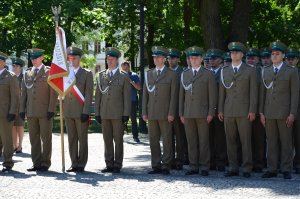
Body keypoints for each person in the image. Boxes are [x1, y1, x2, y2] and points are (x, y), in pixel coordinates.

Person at [260, 42, 299, 179]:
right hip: (269, 112)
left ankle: (286, 169)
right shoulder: (265, 70)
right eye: (273, 54)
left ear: (283, 56)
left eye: (277, 54)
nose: (274, 56)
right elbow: (262, 94)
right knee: (271, 141)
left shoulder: (291, 71)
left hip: (284, 113)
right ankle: (272, 169)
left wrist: (292, 113)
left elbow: (295, 94)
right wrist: (261, 112)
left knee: (286, 142)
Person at [218, 42, 258, 178]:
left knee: (245, 140)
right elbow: (221, 93)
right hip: (228, 110)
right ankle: (233, 167)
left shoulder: (250, 70)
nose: (234, 54)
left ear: (242, 54)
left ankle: (247, 167)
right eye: (232, 52)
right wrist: (221, 110)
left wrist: (252, 110)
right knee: (230, 141)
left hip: (244, 110)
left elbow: (253, 93)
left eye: (237, 52)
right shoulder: (224, 70)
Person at [179, 46, 217, 176]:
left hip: (203, 113)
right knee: (191, 141)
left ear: (201, 59)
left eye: (196, 58)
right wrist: (181, 113)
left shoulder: (208, 74)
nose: (193, 60)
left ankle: (204, 166)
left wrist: (211, 112)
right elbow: (181, 96)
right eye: (191, 58)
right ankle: (193, 166)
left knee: (204, 141)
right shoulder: (185, 74)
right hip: (188, 113)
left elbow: (212, 96)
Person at [142, 46, 179, 175]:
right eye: (154, 57)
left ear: (164, 59)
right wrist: (144, 112)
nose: (156, 59)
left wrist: (171, 113)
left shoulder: (171, 74)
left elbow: (174, 96)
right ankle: (156, 165)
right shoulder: (149, 74)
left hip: (165, 113)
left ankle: (166, 165)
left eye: (158, 57)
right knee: (153, 140)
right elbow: (145, 95)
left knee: (167, 140)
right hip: (151, 112)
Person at [20, 48, 57, 172]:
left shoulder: (49, 72)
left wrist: (51, 108)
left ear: (42, 58)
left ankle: (45, 163)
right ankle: (36, 162)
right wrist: (22, 109)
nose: (33, 60)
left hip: (44, 110)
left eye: (36, 57)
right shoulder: (27, 73)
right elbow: (24, 93)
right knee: (33, 139)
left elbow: (53, 92)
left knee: (46, 138)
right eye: (32, 58)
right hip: (31, 111)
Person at [95, 47, 131, 173]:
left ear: (117, 60)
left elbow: (127, 97)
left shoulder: (124, 76)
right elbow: (98, 96)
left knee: (118, 140)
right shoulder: (101, 76)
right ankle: (109, 163)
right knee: (107, 139)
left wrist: (126, 114)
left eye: (111, 59)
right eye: (108, 59)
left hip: (118, 114)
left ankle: (117, 164)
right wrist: (97, 113)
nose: (109, 61)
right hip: (105, 113)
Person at [63, 47, 94, 173]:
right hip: (68, 111)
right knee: (71, 139)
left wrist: (86, 112)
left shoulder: (87, 73)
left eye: (74, 58)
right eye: (70, 58)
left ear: (79, 59)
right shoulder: (65, 73)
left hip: (81, 111)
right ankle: (73, 163)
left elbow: (88, 94)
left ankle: (81, 163)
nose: (71, 60)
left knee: (82, 138)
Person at [246, 48, 266, 172]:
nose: (250, 59)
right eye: (248, 57)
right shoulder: (243, 70)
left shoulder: (262, 71)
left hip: (258, 110)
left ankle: (259, 163)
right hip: (244, 110)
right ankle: (247, 162)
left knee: (258, 138)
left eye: (253, 57)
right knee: (246, 138)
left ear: (258, 59)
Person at [167, 48, 188, 170]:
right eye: (169, 58)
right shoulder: (165, 72)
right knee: (168, 137)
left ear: (178, 59)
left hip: (179, 109)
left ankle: (180, 160)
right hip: (167, 109)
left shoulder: (183, 72)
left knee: (180, 137)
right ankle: (170, 160)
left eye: (173, 58)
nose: (171, 60)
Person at [207, 48, 227, 172]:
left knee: (220, 138)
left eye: (214, 59)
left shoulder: (224, 72)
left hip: (220, 110)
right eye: (210, 59)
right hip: (207, 110)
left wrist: (220, 109)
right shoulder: (206, 72)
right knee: (208, 137)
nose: (212, 61)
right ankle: (211, 161)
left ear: (220, 60)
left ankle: (221, 162)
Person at [0, 52, 19, 172]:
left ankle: (8, 163)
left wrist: (12, 112)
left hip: (5, 113)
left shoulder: (11, 76)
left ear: (3, 62)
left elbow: (15, 96)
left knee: (7, 139)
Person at [121, 61, 141, 143]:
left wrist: (131, 82)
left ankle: (135, 136)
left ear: (128, 67)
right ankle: (120, 135)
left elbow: (139, 87)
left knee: (133, 119)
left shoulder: (134, 75)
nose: (124, 70)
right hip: (122, 101)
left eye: (125, 68)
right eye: (122, 68)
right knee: (121, 119)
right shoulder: (120, 76)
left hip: (132, 100)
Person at [11, 57, 25, 154]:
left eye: (17, 66)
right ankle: (14, 145)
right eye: (13, 66)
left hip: (21, 106)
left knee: (19, 126)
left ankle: (20, 146)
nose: (15, 68)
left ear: (20, 67)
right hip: (11, 106)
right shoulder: (10, 77)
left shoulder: (24, 77)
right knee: (13, 126)